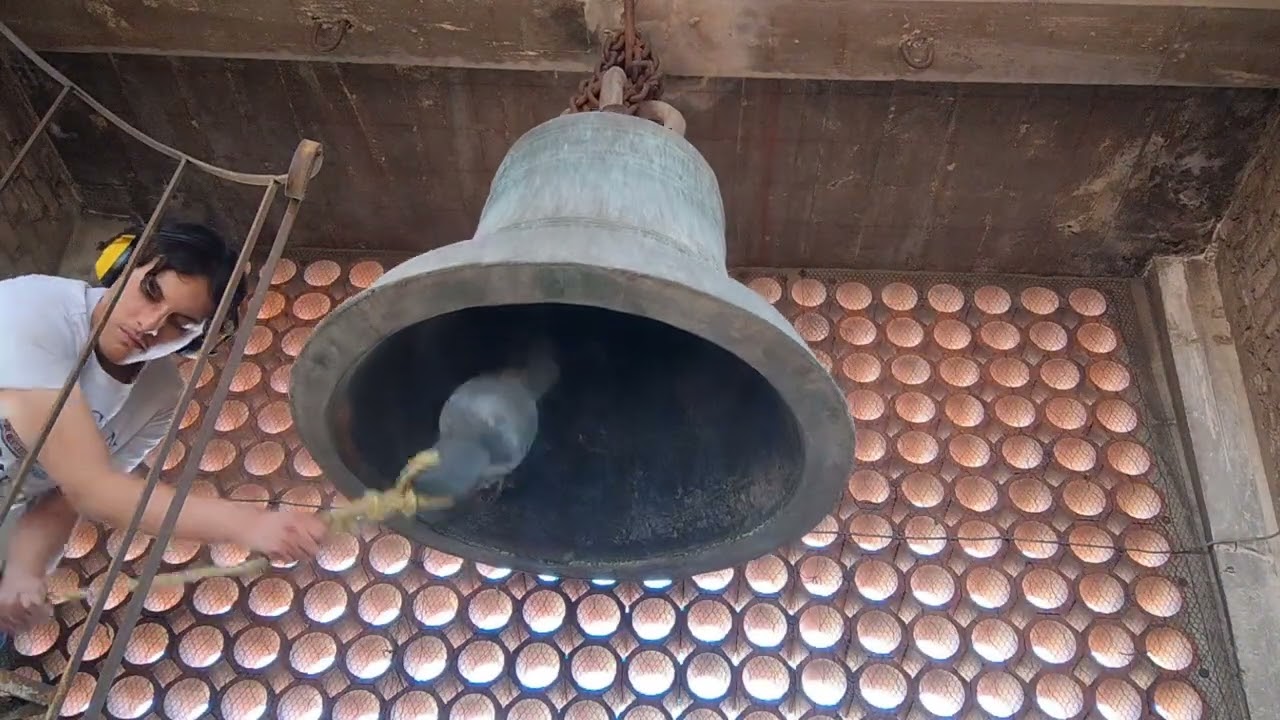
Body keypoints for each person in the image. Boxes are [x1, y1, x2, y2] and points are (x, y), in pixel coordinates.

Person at [0, 221, 328, 636]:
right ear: (126, 267)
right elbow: (91, 487)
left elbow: (61, 500)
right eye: (150, 292)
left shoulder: (159, 396)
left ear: (197, 342)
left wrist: (25, 573)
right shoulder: (33, 312)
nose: (151, 325)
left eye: (182, 324)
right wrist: (247, 524)